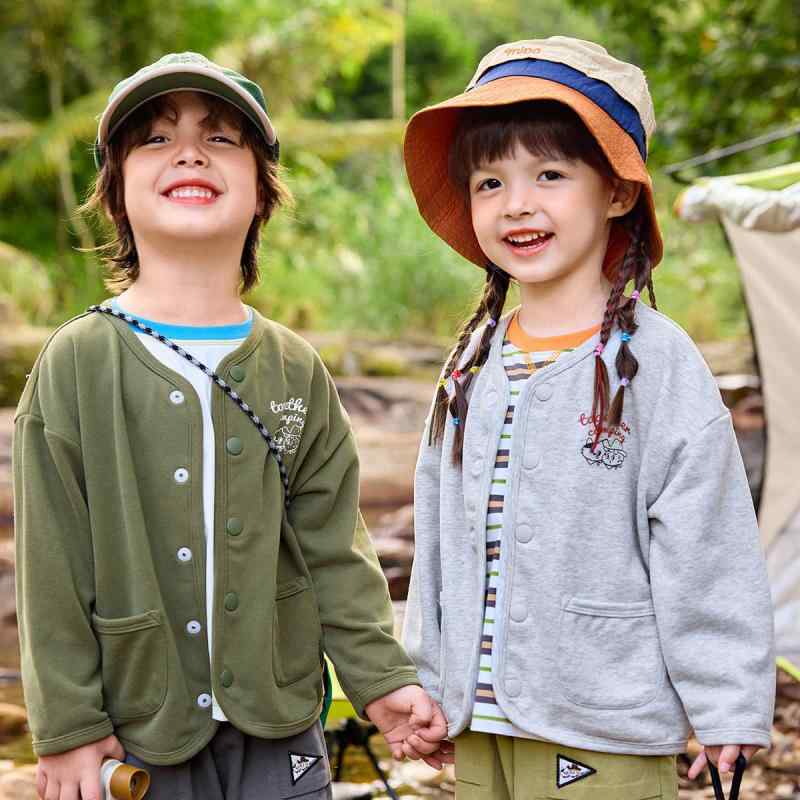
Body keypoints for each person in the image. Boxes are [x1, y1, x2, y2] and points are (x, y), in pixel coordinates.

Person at [13, 52, 445, 800]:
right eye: (156, 139)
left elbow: (334, 548)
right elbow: (51, 565)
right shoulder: (76, 362)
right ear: (115, 193)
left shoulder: (295, 368)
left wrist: (382, 681)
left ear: (261, 191)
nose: (189, 153)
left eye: (220, 138)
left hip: (282, 730)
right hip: (137, 732)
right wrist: (69, 725)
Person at [400, 36, 776, 799]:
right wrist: (428, 681)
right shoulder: (473, 358)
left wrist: (727, 703)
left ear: (617, 192)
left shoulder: (658, 363)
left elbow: (706, 543)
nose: (517, 203)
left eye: (549, 174)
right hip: (480, 723)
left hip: (604, 723)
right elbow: (440, 532)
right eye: (489, 181)